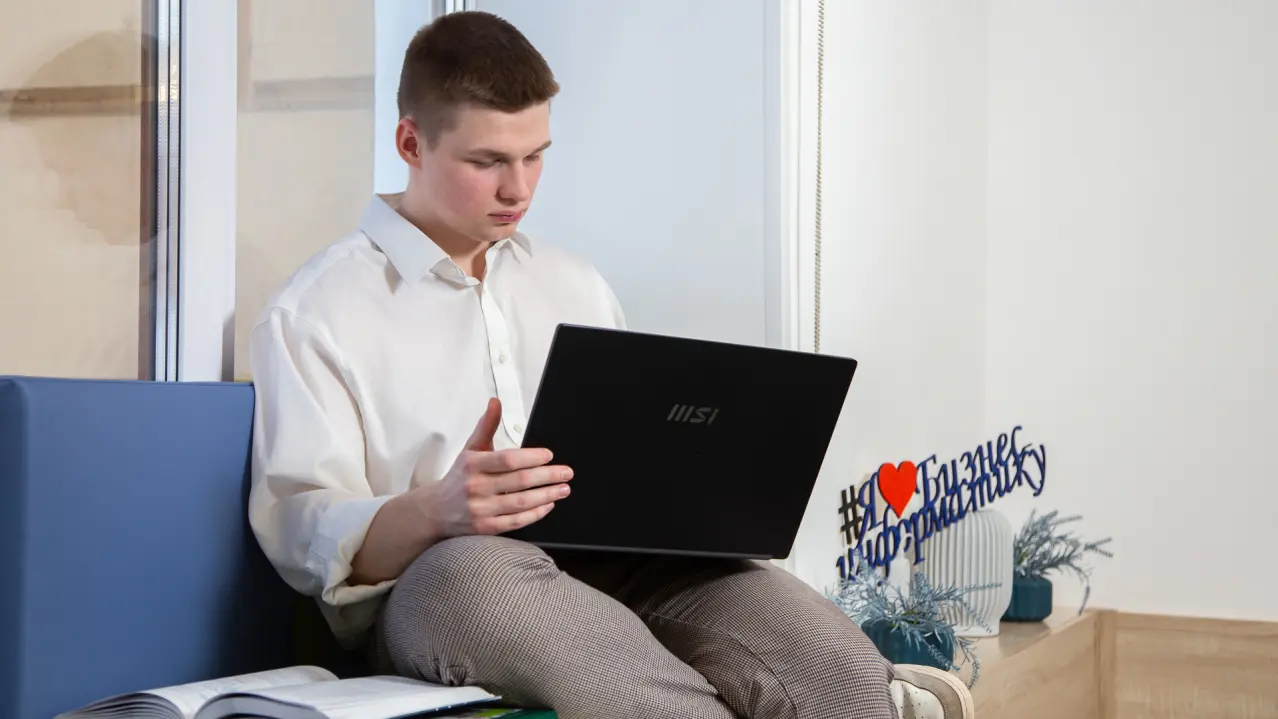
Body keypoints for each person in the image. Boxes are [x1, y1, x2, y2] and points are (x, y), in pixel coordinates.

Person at [248, 10, 969, 719]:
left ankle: (876, 696)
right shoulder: (318, 310)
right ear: (411, 142)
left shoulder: (574, 284)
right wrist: (437, 509)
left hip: (617, 570)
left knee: (820, 656)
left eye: (535, 156)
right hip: (440, 584)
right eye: (487, 161)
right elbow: (303, 535)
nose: (518, 188)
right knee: (475, 571)